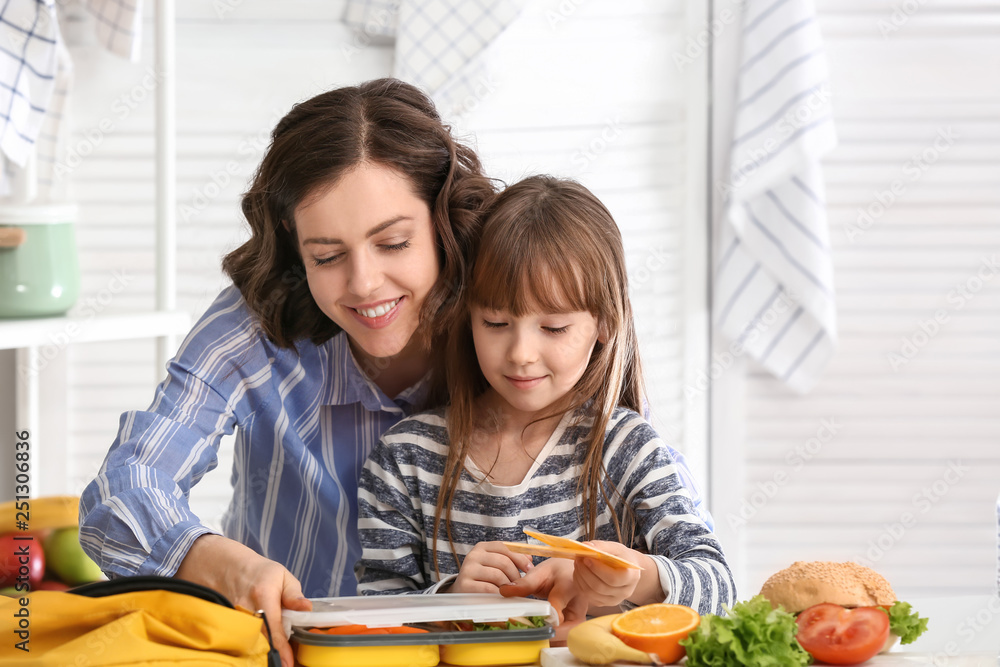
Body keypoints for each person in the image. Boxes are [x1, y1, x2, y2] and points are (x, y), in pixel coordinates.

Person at [78, 78, 495, 667]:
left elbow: (616, 461)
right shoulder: (254, 327)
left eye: (394, 242)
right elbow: (121, 490)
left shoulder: (508, 317)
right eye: (327, 256)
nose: (364, 284)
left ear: (443, 222)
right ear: (297, 253)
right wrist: (219, 562)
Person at [354, 176, 736, 625]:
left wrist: (637, 577)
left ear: (604, 326)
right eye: (495, 322)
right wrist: (452, 597)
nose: (520, 354)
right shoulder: (405, 460)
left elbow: (720, 588)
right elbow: (374, 617)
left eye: (553, 328)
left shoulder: (626, 447)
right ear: (468, 317)